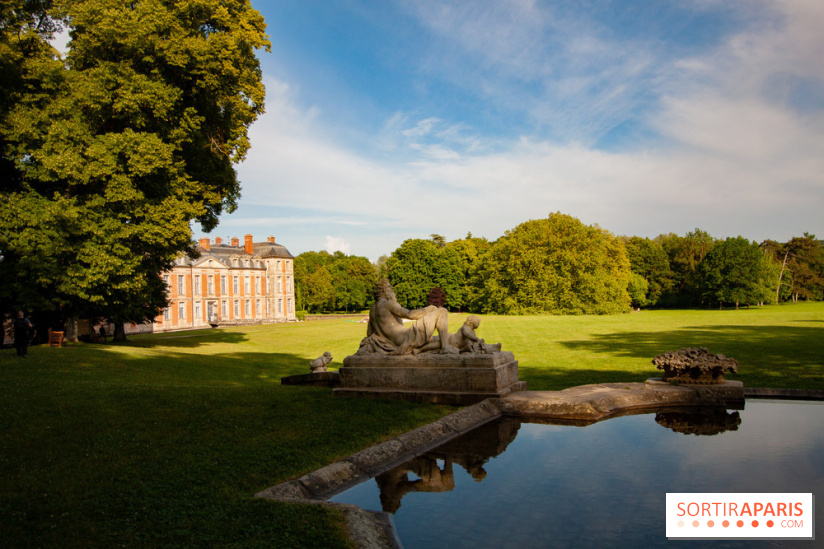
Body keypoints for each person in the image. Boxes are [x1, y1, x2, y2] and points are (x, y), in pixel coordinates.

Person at [359, 279, 457, 355]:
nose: (393, 291)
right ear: (385, 290)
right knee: (442, 311)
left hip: (396, 342)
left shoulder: (372, 309)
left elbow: (370, 334)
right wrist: (428, 309)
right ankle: (445, 348)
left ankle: (446, 344)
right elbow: (409, 314)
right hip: (406, 338)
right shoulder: (388, 303)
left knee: (435, 339)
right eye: (390, 288)